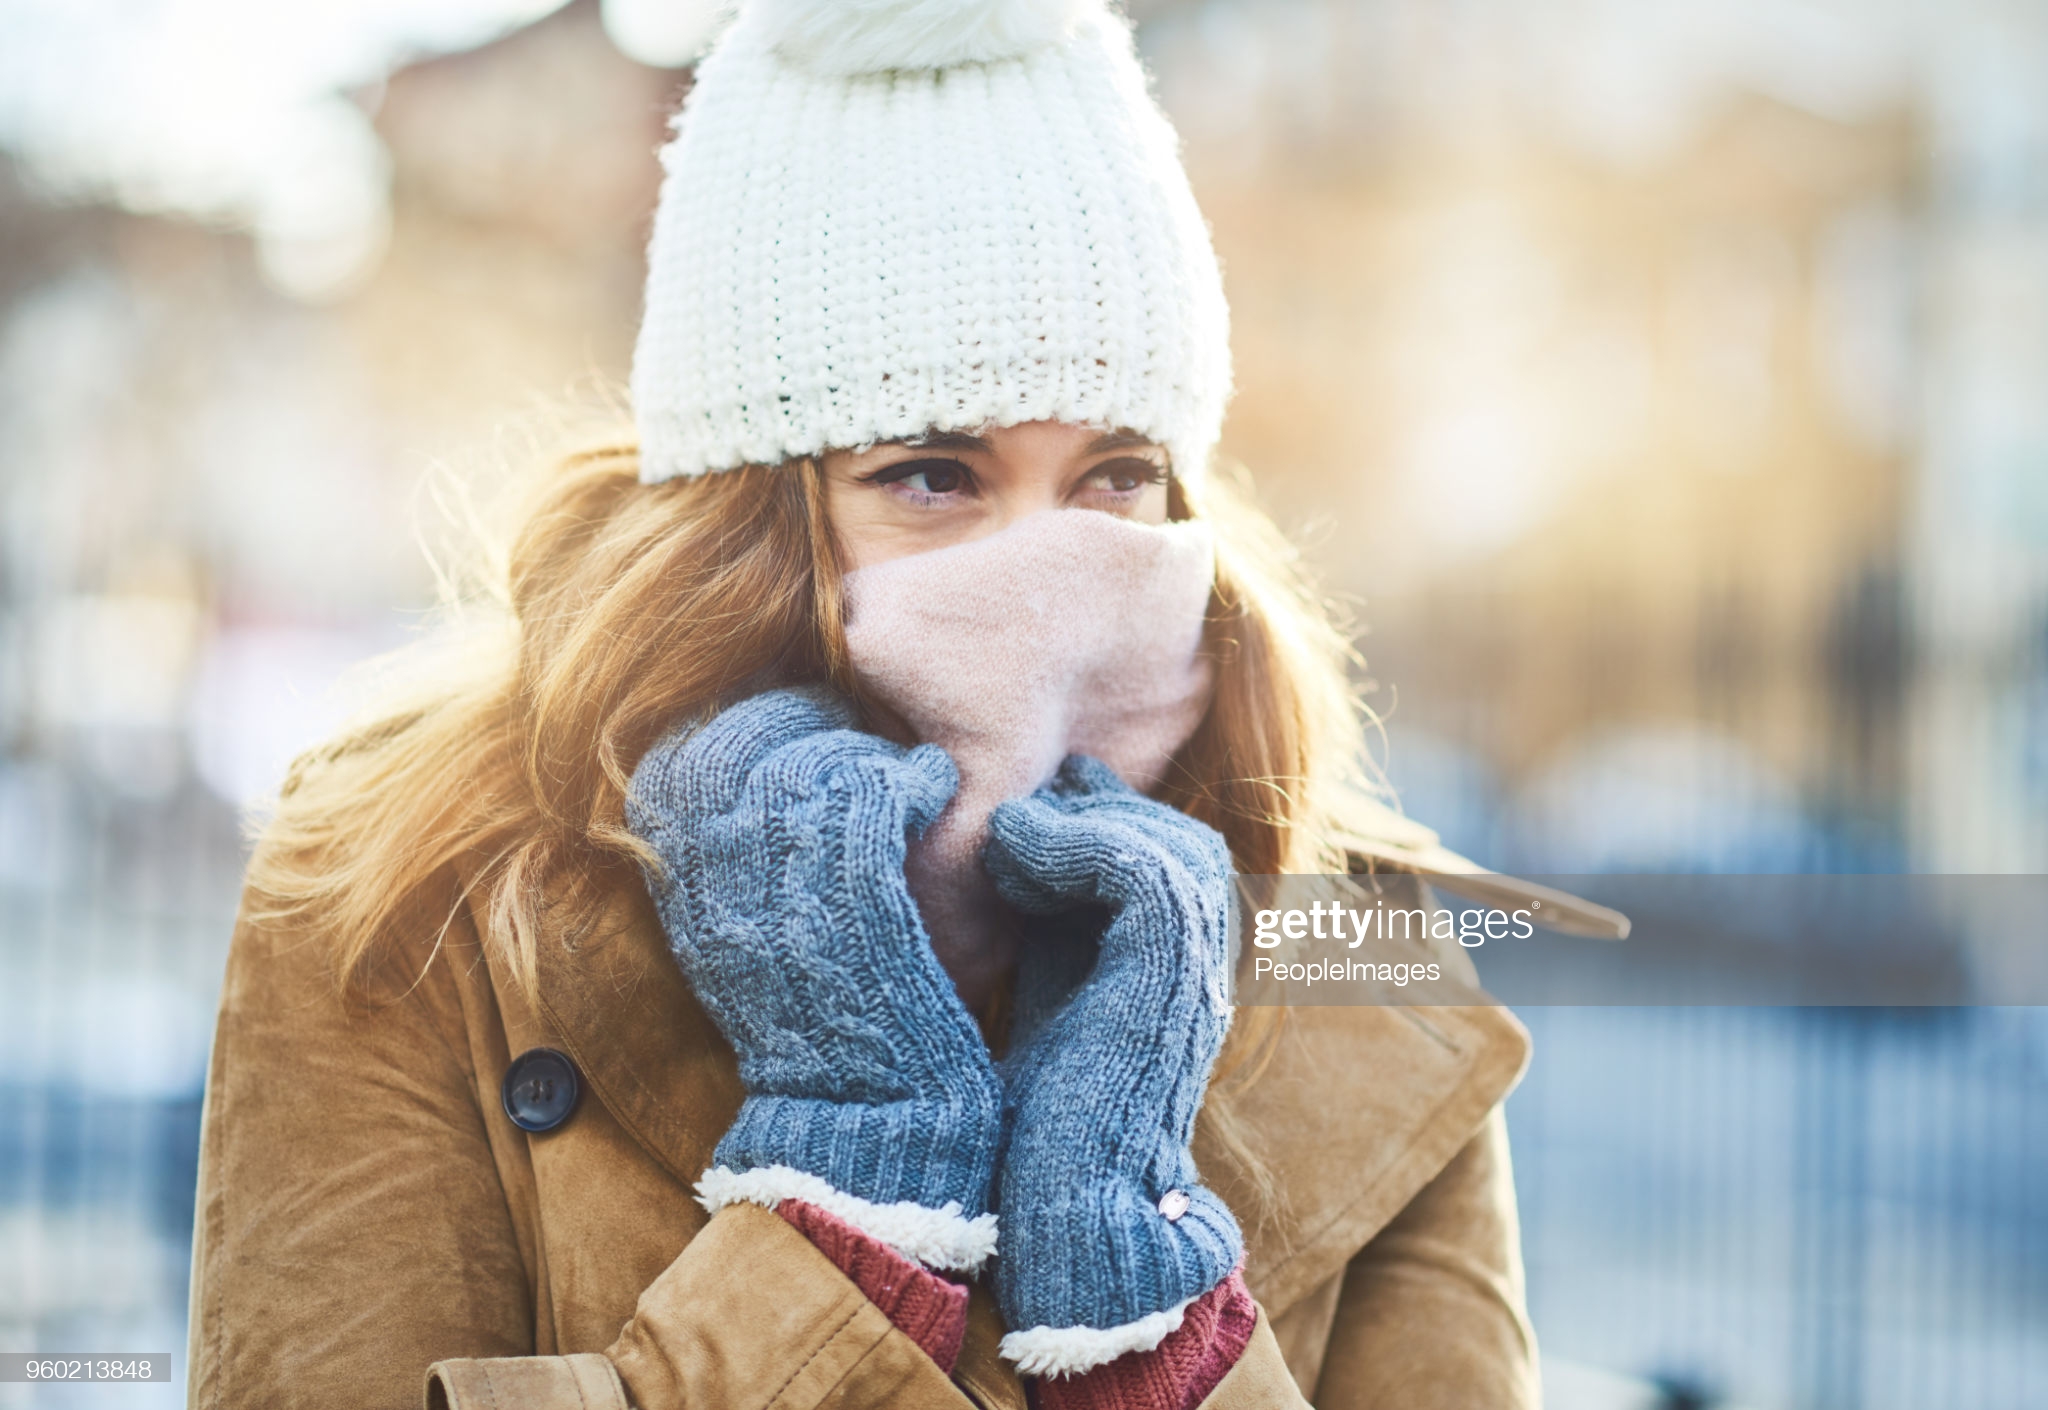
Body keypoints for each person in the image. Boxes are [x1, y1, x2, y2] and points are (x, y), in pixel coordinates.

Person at [185, 1, 1542, 1405]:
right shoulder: (413, 889)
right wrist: (844, 1230)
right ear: (748, 514)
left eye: (1116, 473)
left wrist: (1146, 1336)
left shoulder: (1363, 956)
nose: (1050, 570)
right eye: (934, 474)